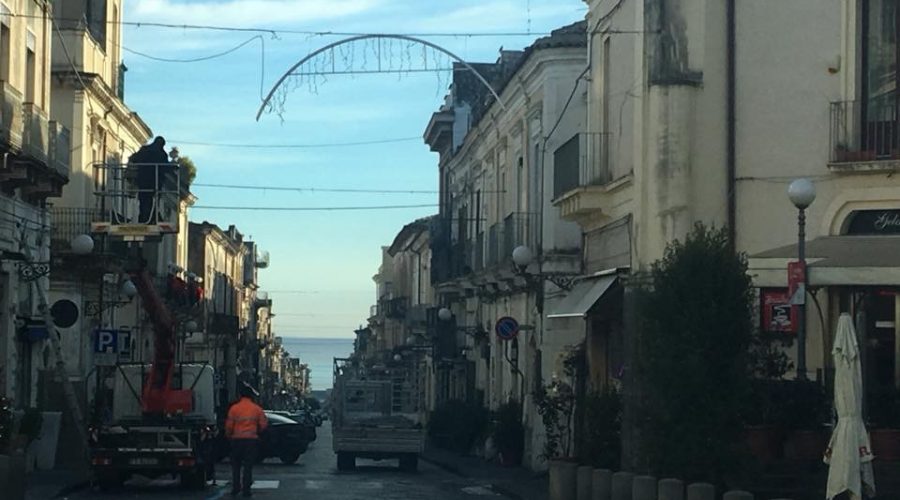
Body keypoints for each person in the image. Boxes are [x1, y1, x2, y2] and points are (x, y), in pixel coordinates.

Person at [225, 383, 267, 497]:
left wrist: (229, 436)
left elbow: (229, 426)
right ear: (251, 396)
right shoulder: (256, 409)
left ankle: (235, 488)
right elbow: (263, 425)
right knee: (248, 466)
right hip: (251, 440)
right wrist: (256, 432)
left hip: (237, 440)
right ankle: (246, 490)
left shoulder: (234, 408)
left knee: (236, 466)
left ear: (240, 395)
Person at [128, 136, 172, 223]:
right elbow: (165, 168)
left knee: (143, 199)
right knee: (153, 200)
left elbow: (133, 159)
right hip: (154, 182)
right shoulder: (162, 154)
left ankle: (143, 217)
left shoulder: (144, 150)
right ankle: (151, 216)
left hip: (142, 181)